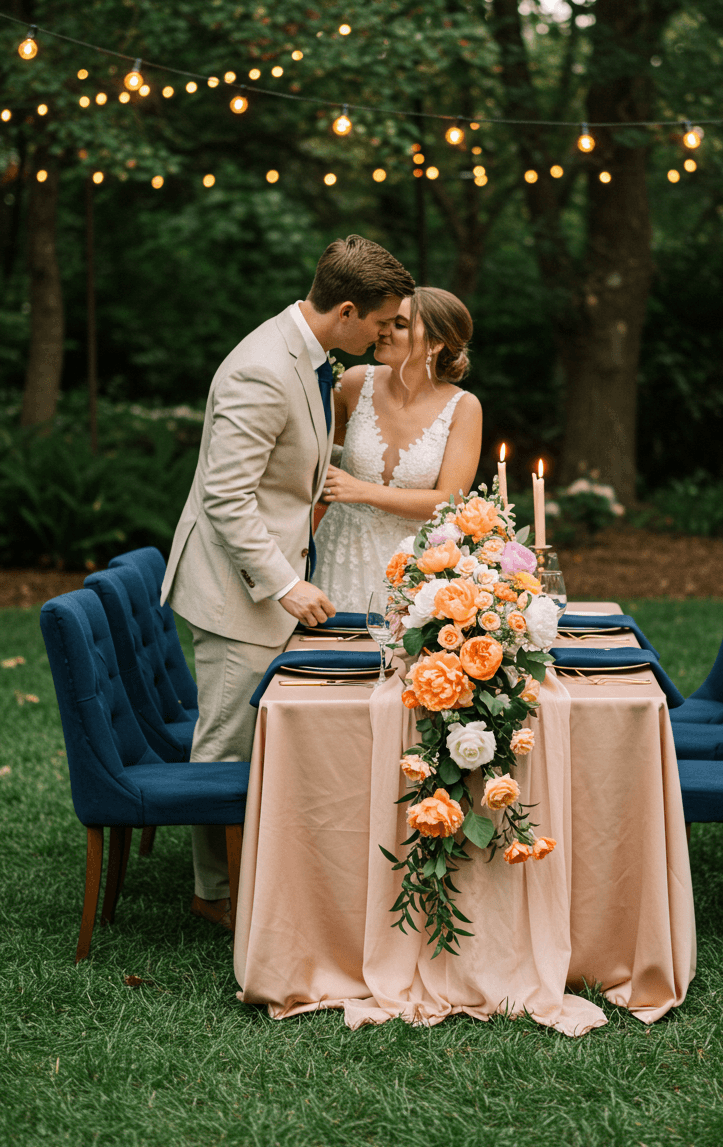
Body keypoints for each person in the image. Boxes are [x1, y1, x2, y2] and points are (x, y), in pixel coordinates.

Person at [160, 235, 414, 928]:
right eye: (384, 322)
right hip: (233, 590)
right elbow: (226, 497)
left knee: (259, 733)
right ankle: (215, 894)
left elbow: (286, 456)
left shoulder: (306, 353)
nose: (389, 333)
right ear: (347, 310)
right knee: (226, 742)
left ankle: (256, 870)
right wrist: (283, 584)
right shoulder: (261, 368)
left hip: (265, 576)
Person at [313, 286, 482, 611]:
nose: (384, 331)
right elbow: (314, 446)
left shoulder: (463, 407)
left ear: (435, 343)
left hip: (414, 565)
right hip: (340, 550)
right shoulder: (353, 382)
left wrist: (360, 490)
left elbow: (448, 501)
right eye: (386, 321)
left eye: (400, 324)